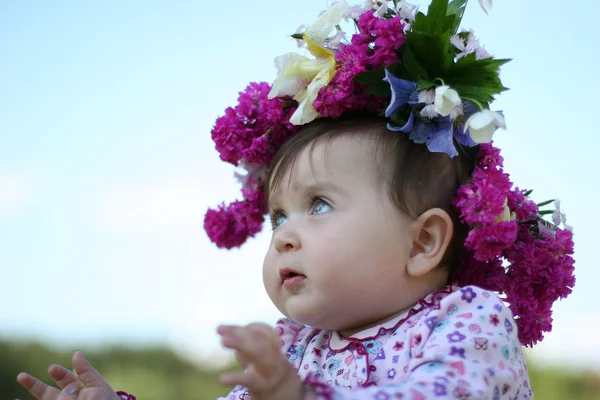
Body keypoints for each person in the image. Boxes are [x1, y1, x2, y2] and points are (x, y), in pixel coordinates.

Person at [16, 0, 575, 399]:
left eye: (321, 205)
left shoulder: (470, 323)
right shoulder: (291, 350)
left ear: (423, 241)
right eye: (279, 214)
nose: (281, 232)